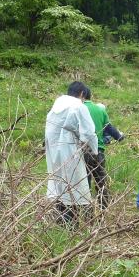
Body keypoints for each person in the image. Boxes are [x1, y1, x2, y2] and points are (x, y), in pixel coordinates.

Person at [45, 81, 98, 225]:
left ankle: (60, 223)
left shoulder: (56, 105)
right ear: (81, 94)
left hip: (54, 152)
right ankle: (72, 225)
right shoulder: (77, 105)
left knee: (60, 186)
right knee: (75, 187)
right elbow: (88, 132)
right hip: (70, 151)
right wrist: (95, 150)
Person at [83, 92, 124, 209]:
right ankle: (104, 209)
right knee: (101, 183)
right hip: (99, 152)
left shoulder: (79, 108)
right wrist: (119, 136)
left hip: (83, 151)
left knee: (85, 183)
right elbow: (109, 127)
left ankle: (88, 211)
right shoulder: (100, 110)